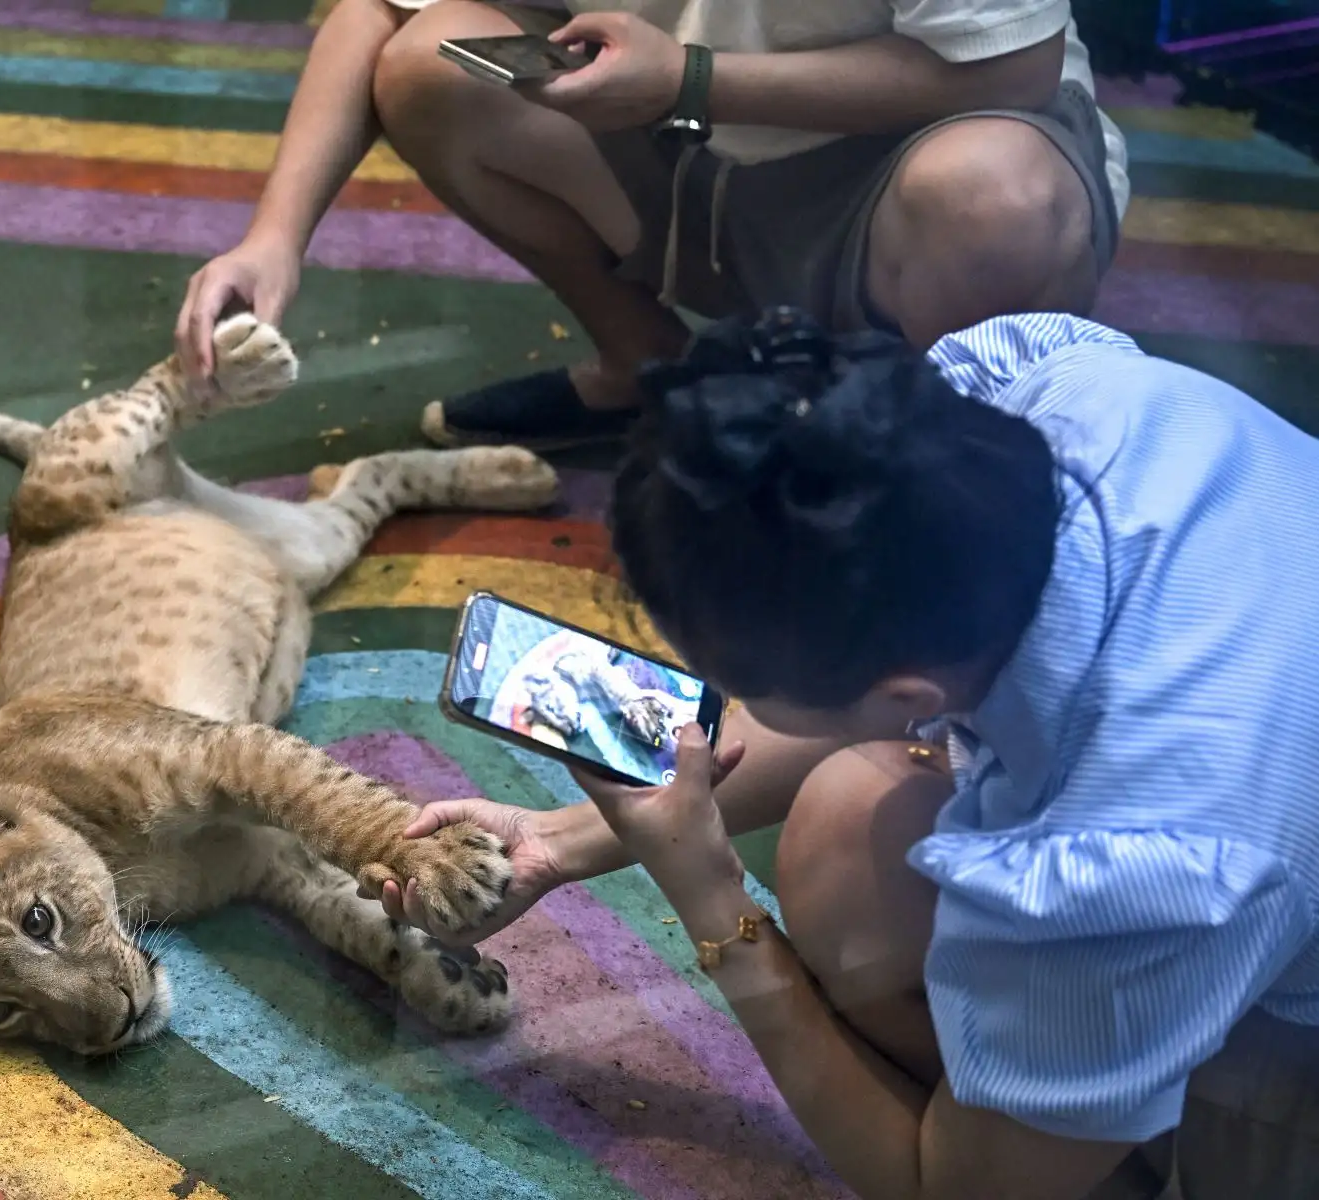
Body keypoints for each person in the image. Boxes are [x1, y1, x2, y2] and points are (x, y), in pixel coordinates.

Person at [376, 308, 1319, 1199]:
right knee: (847, 833)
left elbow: (942, 1187)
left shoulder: (1137, 867)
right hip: (1248, 810)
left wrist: (710, 896)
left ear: (906, 701)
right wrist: (557, 841)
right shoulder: (1059, 399)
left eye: (740, 680)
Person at [175, 0, 1129, 451]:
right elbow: (376, 13)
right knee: (430, 62)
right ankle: (649, 369)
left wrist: (691, 80)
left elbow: (1014, 68)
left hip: (908, 171)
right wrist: (273, 239)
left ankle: (933, 460)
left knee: (995, 198)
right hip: (693, 154)